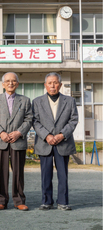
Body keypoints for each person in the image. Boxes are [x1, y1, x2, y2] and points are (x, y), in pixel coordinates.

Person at [32, 72, 78, 211]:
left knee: (63, 175)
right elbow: (35, 121)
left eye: (56, 82)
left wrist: (61, 135)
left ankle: (63, 201)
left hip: (63, 143)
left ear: (60, 85)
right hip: (44, 143)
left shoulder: (69, 101)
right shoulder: (37, 101)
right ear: (45, 85)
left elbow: (73, 120)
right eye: (50, 83)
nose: (53, 85)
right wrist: (47, 136)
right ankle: (47, 201)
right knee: (46, 174)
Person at [0, 72, 32, 211]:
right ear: (3, 84)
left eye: (13, 81)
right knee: (1, 172)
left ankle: (19, 200)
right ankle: (1, 200)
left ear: (17, 84)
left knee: (18, 172)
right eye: (7, 81)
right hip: (1, 141)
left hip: (18, 141)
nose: (10, 83)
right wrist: (1, 133)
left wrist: (19, 132)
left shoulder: (25, 100)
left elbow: (29, 119)